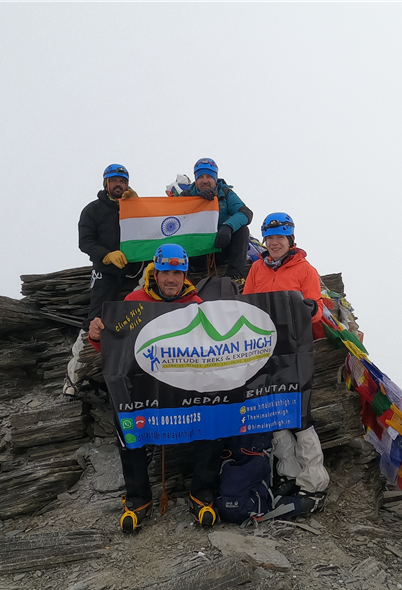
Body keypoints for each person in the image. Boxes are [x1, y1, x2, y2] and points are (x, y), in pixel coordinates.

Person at [88, 244, 223, 532]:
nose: (171, 278)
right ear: (156, 272)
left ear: (184, 273)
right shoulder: (134, 301)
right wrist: (98, 335)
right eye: (165, 272)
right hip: (146, 388)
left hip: (185, 387)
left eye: (177, 272)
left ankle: (202, 493)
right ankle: (138, 499)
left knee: (217, 415)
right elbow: (116, 348)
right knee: (124, 418)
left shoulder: (196, 304)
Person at [243, 212, 330, 510]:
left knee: (300, 415)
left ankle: (314, 483)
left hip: (295, 350)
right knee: (273, 413)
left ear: (290, 239)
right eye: (270, 238)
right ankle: (289, 474)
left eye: (280, 237)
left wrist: (309, 309)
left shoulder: (306, 269)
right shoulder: (257, 268)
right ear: (265, 241)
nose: (275, 242)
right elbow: (247, 305)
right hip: (264, 352)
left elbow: (317, 308)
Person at [62, 164, 144, 398]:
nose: (118, 184)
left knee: (146, 311)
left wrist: (140, 209)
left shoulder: (135, 206)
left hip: (137, 269)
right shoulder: (92, 210)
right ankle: (74, 375)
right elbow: (85, 241)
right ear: (105, 183)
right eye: (114, 180)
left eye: (122, 180)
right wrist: (105, 255)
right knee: (94, 319)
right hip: (105, 270)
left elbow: (152, 231)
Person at [180, 158, 252, 287]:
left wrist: (228, 227)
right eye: (201, 176)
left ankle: (234, 277)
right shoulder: (185, 196)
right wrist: (197, 202)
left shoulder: (225, 193)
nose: (205, 180)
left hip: (220, 247)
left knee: (242, 230)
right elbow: (175, 219)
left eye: (209, 176)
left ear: (215, 178)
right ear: (196, 179)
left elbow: (246, 213)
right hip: (195, 252)